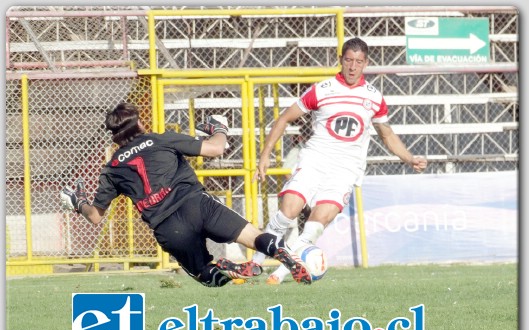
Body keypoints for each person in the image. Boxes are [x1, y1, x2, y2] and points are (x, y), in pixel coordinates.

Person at [60, 102, 312, 287]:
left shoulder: (112, 168)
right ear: (139, 123)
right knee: (255, 237)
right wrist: (220, 127)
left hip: (167, 228)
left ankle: (227, 271)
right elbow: (216, 148)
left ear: (115, 137)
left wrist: (78, 203)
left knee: (209, 278)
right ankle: (279, 250)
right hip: (196, 205)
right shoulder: (160, 139)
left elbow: (95, 216)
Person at [252, 37, 428, 285]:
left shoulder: (374, 98)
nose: (353, 66)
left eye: (358, 61)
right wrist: (265, 155)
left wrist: (410, 158)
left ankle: (280, 274)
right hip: (315, 160)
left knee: (316, 223)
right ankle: (255, 262)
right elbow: (284, 118)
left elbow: (386, 134)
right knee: (289, 209)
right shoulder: (322, 90)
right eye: (348, 60)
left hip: (345, 170)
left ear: (366, 63)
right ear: (341, 60)